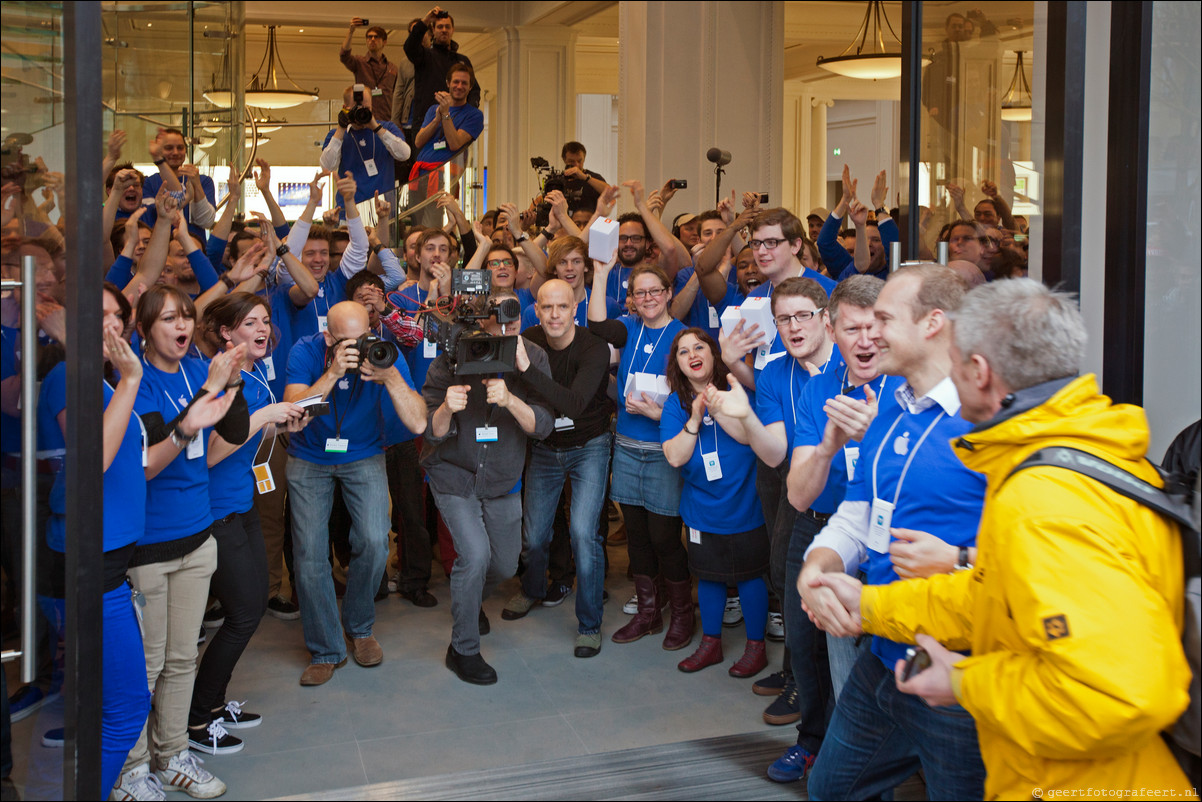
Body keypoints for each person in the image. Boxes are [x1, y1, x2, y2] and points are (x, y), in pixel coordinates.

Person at [809, 278, 1197, 800]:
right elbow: (998, 593)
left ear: (979, 371)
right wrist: (875, 606)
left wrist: (964, 682)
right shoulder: (1068, 452)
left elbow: (1115, 695)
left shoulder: (1046, 498)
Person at [796, 264, 987, 798]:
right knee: (831, 789)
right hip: (879, 659)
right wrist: (818, 565)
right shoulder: (889, 410)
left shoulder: (989, 419)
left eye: (883, 318)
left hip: (953, 668)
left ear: (933, 323)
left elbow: (1034, 554)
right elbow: (861, 513)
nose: (867, 331)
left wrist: (961, 558)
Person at [115, 285, 249, 800]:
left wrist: (230, 382)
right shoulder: (136, 384)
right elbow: (155, 454)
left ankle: (172, 755)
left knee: (180, 659)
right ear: (145, 328)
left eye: (187, 316)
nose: (183, 325)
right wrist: (206, 393)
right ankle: (131, 768)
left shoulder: (200, 370)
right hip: (148, 545)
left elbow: (231, 431)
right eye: (169, 317)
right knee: (144, 666)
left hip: (198, 537)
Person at [766, 275, 893, 781]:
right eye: (851, 329)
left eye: (872, 327)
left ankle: (879, 761)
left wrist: (880, 431)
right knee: (806, 644)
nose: (864, 340)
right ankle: (817, 744)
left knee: (875, 658)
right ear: (833, 333)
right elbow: (798, 493)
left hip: (888, 543)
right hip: (820, 531)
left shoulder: (908, 388)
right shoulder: (821, 388)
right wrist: (828, 446)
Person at [38, 285, 151, 798]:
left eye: (116, 316)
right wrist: (131, 379)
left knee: (109, 707)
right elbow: (93, 461)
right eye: (96, 316)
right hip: (91, 561)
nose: (110, 325)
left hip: (113, 558)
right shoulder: (70, 377)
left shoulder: (101, 380)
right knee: (126, 710)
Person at [283, 301, 427, 686]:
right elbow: (293, 417)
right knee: (309, 554)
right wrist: (332, 372)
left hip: (363, 453)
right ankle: (326, 648)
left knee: (374, 541)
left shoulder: (384, 354)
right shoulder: (305, 350)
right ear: (328, 336)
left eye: (364, 337)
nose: (360, 347)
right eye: (347, 341)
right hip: (309, 456)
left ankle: (360, 627)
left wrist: (391, 378)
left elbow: (417, 422)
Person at [190, 293, 306, 754]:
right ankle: (198, 721)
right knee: (241, 615)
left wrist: (282, 425)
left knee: (253, 607)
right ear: (225, 333)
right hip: (214, 513)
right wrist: (264, 416)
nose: (263, 328)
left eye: (265, 319)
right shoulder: (217, 379)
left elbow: (253, 436)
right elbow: (213, 453)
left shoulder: (255, 372)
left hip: (242, 506)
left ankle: (214, 704)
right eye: (250, 322)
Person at [421, 291, 554, 684]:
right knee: (475, 557)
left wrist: (512, 399)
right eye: (500, 314)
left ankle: (470, 599)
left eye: (515, 316)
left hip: (502, 478)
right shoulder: (454, 351)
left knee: (504, 563)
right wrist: (447, 407)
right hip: (454, 473)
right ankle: (462, 649)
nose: (508, 322)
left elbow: (543, 425)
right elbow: (430, 428)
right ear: (483, 316)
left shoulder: (532, 356)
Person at [501, 280, 613, 657]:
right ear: (536, 309)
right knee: (533, 536)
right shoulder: (528, 338)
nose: (553, 315)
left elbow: (575, 403)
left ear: (574, 309)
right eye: (546, 307)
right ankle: (532, 589)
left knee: (584, 533)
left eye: (561, 307)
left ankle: (590, 623)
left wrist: (527, 369)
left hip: (590, 445)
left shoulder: (593, 347)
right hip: (545, 447)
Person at [588, 262, 693, 650]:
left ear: (668, 293)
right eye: (640, 293)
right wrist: (600, 274)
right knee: (636, 538)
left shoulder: (684, 337)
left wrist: (658, 413)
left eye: (655, 291)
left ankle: (682, 614)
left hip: (664, 449)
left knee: (664, 537)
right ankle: (649, 613)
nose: (648, 299)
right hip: (628, 449)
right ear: (632, 299)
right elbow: (597, 324)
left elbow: (695, 396)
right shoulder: (628, 329)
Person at [661, 329, 770, 677]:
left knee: (751, 576)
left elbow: (748, 436)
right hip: (702, 508)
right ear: (677, 364)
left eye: (699, 347)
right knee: (707, 576)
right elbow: (675, 457)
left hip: (745, 504)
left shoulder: (738, 391)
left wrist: (715, 404)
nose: (692, 354)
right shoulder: (675, 404)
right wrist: (694, 417)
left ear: (713, 354)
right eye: (683, 352)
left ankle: (756, 648)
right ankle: (711, 644)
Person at [320, 87, 410, 211]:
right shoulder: (336, 135)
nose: (361, 113)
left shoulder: (387, 128)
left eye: (366, 109)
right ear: (345, 108)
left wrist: (376, 128)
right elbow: (327, 167)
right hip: (348, 213)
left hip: (382, 211)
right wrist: (341, 127)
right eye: (355, 109)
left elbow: (405, 154)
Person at [403, 6, 480, 133]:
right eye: (440, 27)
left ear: (452, 30)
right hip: (425, 124)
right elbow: (409, 47)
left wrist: (467, 113)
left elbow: (474, 90)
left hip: (455, 124)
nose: (444, 30)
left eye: (447, 27)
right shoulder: (424, 56)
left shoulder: (462, 61)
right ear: (433, 30)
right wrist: (426, 20)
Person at [409, 63, 484, 179]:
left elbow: (455, 144)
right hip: (420, 174)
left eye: (464, 83)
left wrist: (445, 114)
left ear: (470, 87)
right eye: (456, 82)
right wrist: (436, 120)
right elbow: (418, 142)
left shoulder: (474, 115)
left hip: (447, 176)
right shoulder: (433, 109)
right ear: (448, 83)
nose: (459, 86)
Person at [340, 18, 398, 124]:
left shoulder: (392, 68)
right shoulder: (359, 62)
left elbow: (398, 95)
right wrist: (351, 31)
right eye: (369, 37)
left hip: (386, 119)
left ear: (384, 42)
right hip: (364, 119)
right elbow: (344, 56)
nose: (372, 39)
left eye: (376, 37)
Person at [559, 141, 610, 214]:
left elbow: (610, 192)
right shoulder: (558, 180)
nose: (576, 165)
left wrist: (585, 177)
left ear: (584, 159)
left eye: (579, 161)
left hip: (590, 223)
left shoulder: (593, 177)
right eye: (571, 161)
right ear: (564, 160)